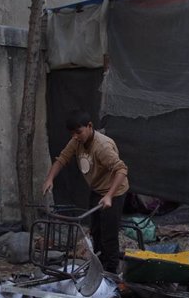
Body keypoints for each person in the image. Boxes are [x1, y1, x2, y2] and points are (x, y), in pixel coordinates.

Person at [42, 110, 129, 273]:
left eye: (78, 132)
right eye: (72, 133)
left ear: (89, 126)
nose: (75, 136)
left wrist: (109, 196)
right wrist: (49, 179)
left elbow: (122, 170)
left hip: (114, 191)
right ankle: (99, 264)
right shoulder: (76, 141)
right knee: (95, 230)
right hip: (97, 189)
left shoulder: (102, 146)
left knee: (108, 233)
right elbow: (61, 160)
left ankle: (110, 271)